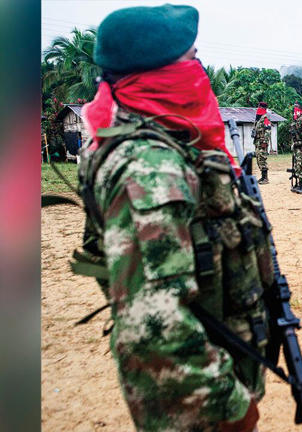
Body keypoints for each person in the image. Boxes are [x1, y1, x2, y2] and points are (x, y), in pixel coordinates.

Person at [74, 5, 267, 430]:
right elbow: (154, 325)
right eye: (191, 60)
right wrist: (229, 405)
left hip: (208, 354)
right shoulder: (150, 166)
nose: (200, 71)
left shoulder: (144, 137)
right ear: (159, 72)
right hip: (195, 402)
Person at [252, 101, 272, 184]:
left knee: (262, 159)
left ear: (263, 108)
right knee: (258, 159)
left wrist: (265, 142)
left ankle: (265, 178)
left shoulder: (265, 118)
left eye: (259, 107)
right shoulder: (258, 118)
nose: (258, 108)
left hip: (262, 142)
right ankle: (263, 177)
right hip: (257, 142)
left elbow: (268, 131)